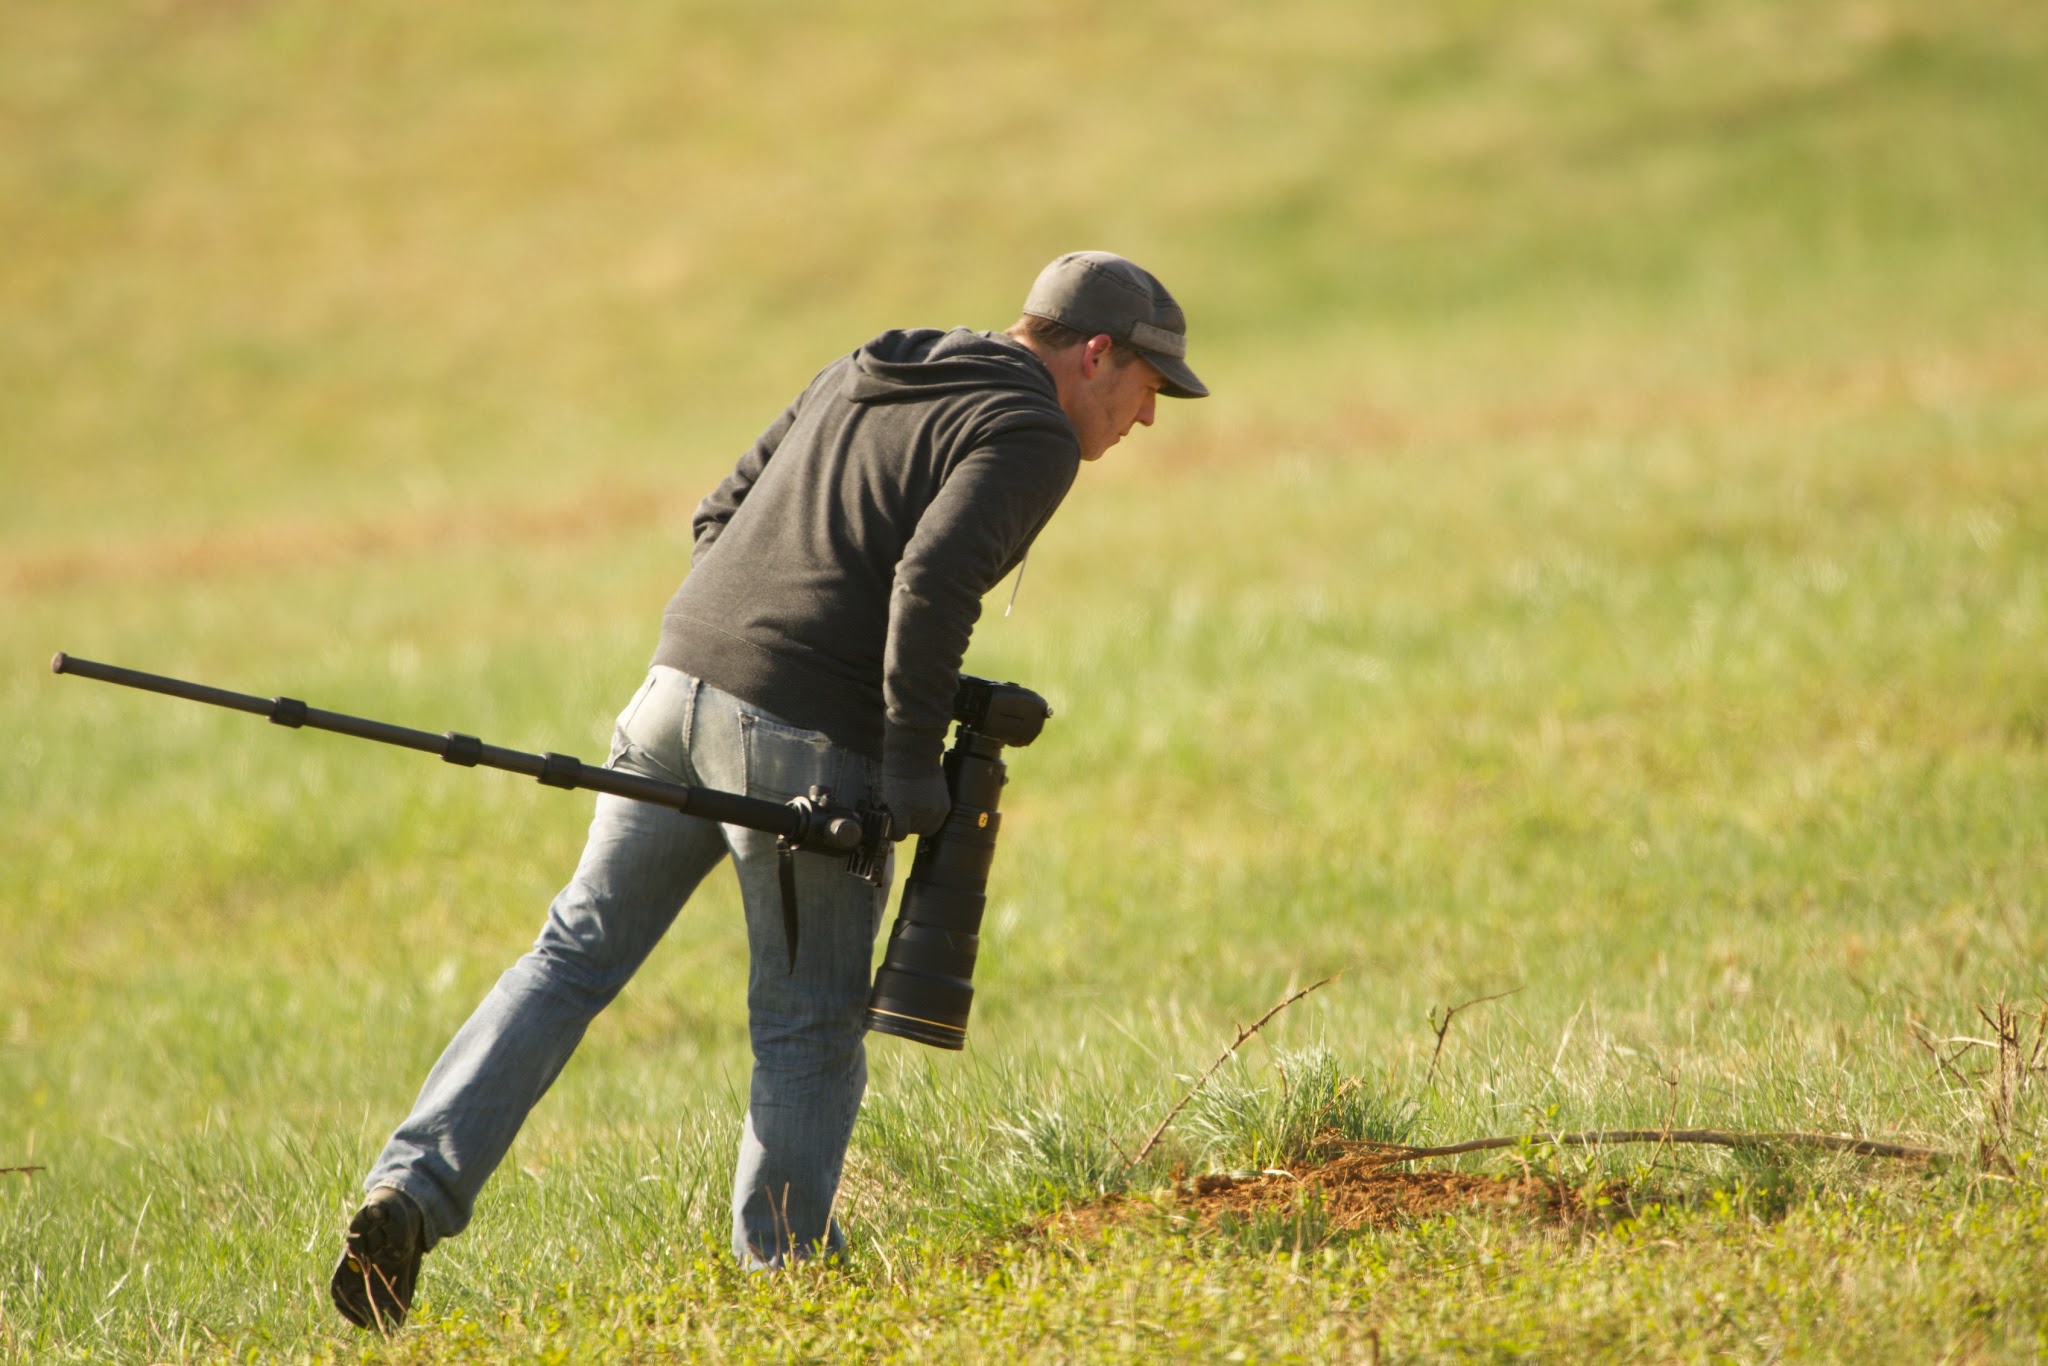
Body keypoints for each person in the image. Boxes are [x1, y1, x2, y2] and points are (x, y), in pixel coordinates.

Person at [329, 250, 1208, 1330]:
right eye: (1148, 386)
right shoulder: (1030, 434)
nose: (1147, 417)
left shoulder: (871, 364)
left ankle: (407, 1189)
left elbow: (720, 516)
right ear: (1092, 354)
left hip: (671, 687)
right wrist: (897, 767)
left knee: (567, 958)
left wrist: (778, 648)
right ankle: (787, 1287)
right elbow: (929, 582)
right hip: (799, 744)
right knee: (807, 1019)